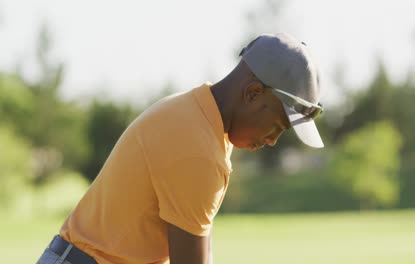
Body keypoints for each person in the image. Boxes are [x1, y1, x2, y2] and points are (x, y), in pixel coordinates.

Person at [36, 32, 324, 264]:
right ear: (252, 93)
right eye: (277, 126)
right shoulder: (198, 149)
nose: (272, 140)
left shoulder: (200, 117)